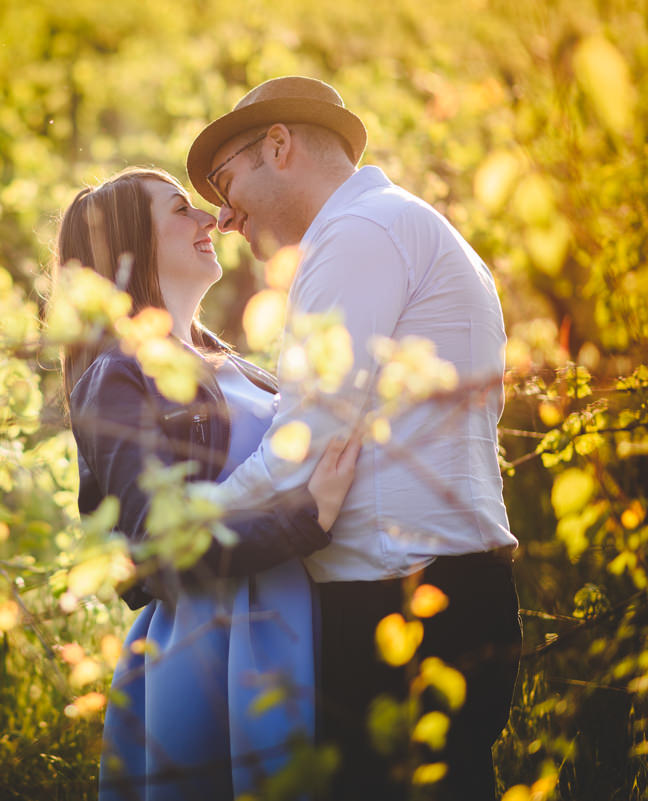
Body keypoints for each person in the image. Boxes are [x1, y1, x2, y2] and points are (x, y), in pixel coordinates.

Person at [185, 76, 523, 800]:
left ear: (279, 145)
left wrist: (184, 525)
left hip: (407, 601)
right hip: (439, 588)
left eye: (226, 181)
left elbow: (301, 445)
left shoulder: (358, 234)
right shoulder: (395, 225)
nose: (224, 217)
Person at [57, 167, 359, 801]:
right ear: (133, 244)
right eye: (181, 210)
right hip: (212, 641)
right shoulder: (118, 375)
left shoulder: (238, 365)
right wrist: (308, 520)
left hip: (294, 613)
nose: (212, 219)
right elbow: (155, 548)